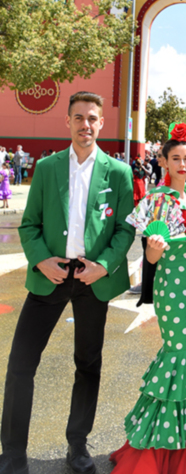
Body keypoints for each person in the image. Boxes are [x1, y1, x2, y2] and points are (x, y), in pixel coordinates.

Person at [0, 92, 135, 474]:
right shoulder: (47, 168)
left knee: (87, 363)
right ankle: (12, 451)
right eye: (78, 118)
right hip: (50, 276)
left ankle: (77, 445)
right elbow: (29, 225)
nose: (85, 125)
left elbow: (125, 229)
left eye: (92, 118)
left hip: (93, 279)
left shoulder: (119, 173)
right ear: (68, 122)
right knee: (21, 363)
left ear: (101, 123)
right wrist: (42, 259)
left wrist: (104, 266)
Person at [110, 123, 186, 473]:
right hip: (172, 286)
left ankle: (185, 438)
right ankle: (161, 447)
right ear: (164, 162)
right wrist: (153, 250)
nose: (183, 164)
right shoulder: (157, 199)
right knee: (178, 355)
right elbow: (150, 259)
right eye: (176, 159)